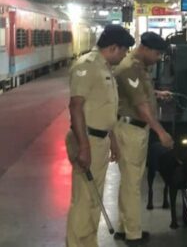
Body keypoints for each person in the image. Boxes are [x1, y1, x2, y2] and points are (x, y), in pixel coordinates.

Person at [65, 24, 135, 247]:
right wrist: (84, 147)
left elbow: (105, 108)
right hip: (87, 140)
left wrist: (112, 139)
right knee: (84, 200)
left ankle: (88, 243)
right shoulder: (87, 66)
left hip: (99, 139)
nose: (125, 55)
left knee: (94, 199)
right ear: (114, 47)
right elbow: (76, 106)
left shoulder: (105, 68)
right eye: (124, 51)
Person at [112, 31, 174, 245]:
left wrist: (156, 93)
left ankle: (124, 227)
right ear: (145, 49)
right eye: (156, 53)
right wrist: (161, 132)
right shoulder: (130, 68)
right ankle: (133, 234)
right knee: (132, 183)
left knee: (129, 181)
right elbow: (140, 107)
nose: (158, 58)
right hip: (131, 130)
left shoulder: (138, 67)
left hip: (135, 129)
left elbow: (139, 93)